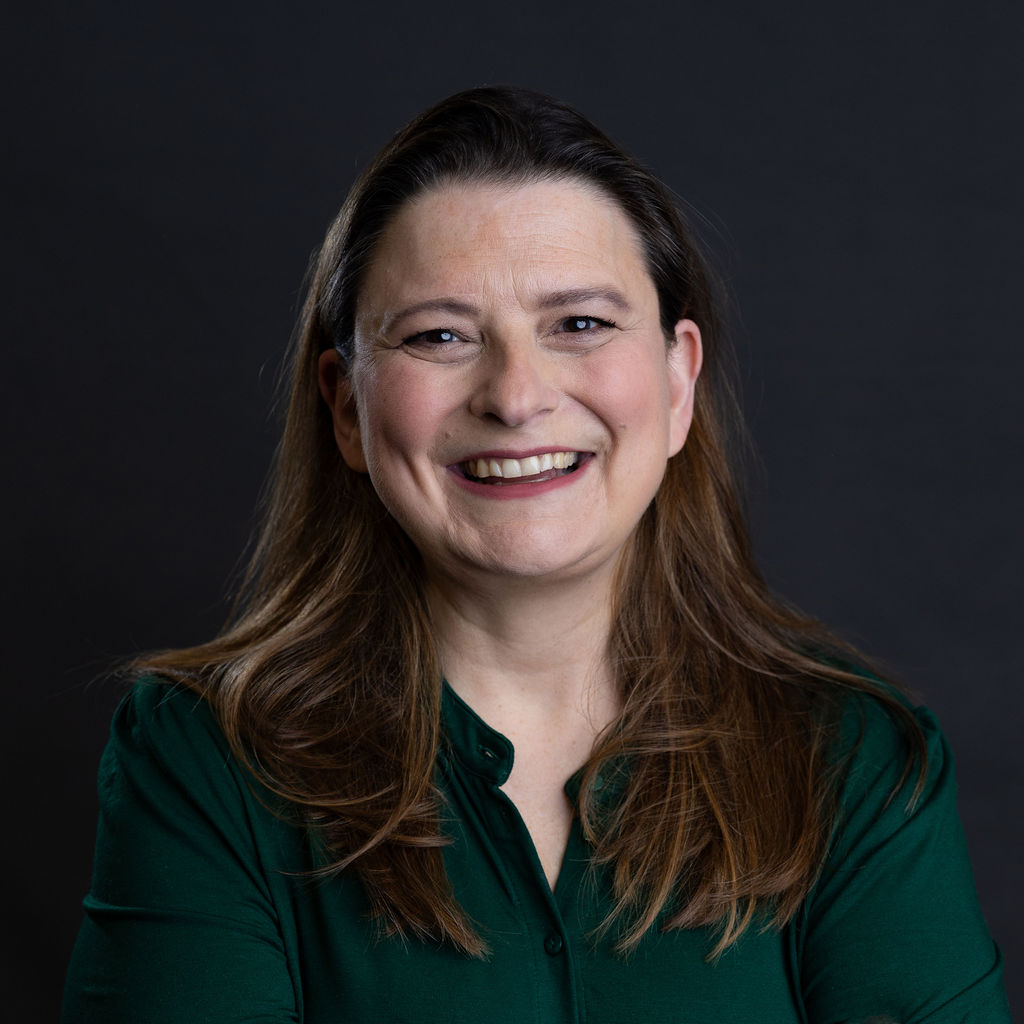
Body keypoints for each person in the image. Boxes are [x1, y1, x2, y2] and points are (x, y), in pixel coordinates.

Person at [63, 86, 1009, 1022]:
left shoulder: (855, 759)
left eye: (580, 324)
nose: (516, 396)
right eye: (439, 336)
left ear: (679, 380)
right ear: (348, 407)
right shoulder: (203, 765)